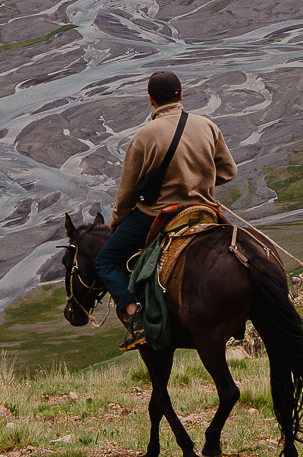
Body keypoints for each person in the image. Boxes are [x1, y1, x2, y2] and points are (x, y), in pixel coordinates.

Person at [96, 70, 236, 345]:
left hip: (157, 215)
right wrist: (200, 181)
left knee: (105, 260)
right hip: (204, 210)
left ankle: (135, 316)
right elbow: (229, 171)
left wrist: (118, 219)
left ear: (151, 100)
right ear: (181, 96)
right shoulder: (207, 125)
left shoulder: (144, 135)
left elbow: (126, 191)